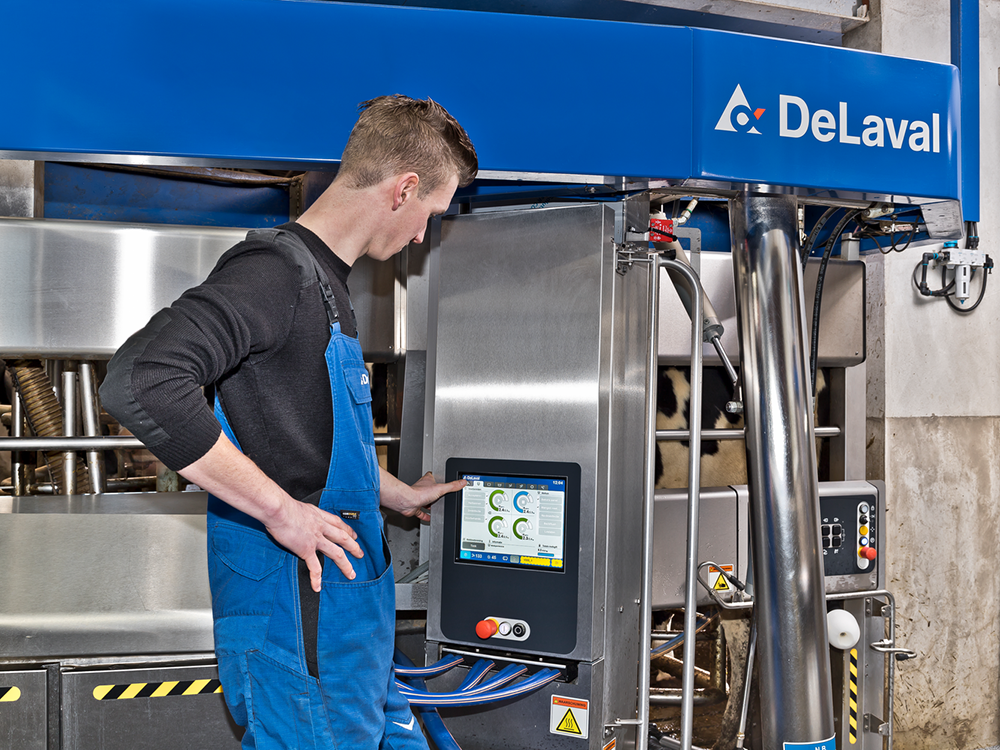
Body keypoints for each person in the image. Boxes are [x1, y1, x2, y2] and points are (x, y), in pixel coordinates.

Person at [100, 94, 478, 749]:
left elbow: (299, 433)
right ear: (404, 188)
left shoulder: (328, 284)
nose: (422, 235)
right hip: (301, 626)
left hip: (346, 625)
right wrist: (279, 510)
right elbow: (143, 381)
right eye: (430, 215)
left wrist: (397, 493)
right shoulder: (276, 272)